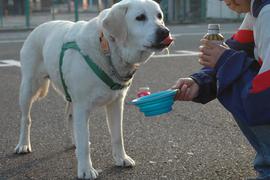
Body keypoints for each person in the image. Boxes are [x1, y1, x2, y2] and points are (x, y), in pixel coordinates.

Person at [172, 0, 270, 179]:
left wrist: (224, 61)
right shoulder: (256, 11)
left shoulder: (267, 14)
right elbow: (235, 48)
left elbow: (264, 98)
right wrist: (199, 82)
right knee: (231, 76)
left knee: (236, 81)